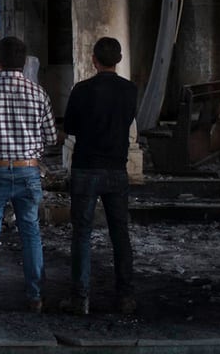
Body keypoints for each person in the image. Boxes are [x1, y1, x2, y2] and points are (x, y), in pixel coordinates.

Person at [0, 36, 57, 314]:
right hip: (28, 170)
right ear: (24, 62)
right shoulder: (38, 93)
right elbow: (51, 136)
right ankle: (35, 297)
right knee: (31, 233)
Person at [63, 36, 137, 316]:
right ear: (118, 60)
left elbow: (70, 125)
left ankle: (80, 298)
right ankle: (126, 297)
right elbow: (128, 121)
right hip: (116, 169)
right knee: (120, 234)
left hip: (86, 167)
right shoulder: (130, 90)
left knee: (81, 234)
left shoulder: (82, 90)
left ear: (94, 60)